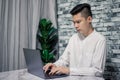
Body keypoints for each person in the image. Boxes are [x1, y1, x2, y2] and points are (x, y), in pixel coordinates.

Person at [43, 3, 107, 77]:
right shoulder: (73, 38)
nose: (75, 26)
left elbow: (97, 71)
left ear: (89, 19)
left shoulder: (100, 40)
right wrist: (54, 65)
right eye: (74, 22)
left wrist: (69, 70)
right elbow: (64, 60)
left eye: (78, 22)